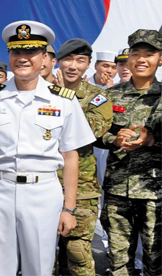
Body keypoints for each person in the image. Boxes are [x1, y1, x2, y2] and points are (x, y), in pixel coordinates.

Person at [0, 20, 95, 276]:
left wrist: (69, 208)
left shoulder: (63, 101)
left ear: (44, 58)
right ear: (9, 55)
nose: (23, 59)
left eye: (30, 53)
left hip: (43, 192)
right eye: (17, 52)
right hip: (0, 189)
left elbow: (71, 157)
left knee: (38, 267)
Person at [98, 29, 162, 276]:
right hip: (117, 193)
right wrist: (115, 139)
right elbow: (94, 133)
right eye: (136, 53)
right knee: (119, 263)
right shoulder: (109, 96)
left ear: (159, 59)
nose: (142, 60)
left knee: (156, 263)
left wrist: (151, 141)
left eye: (150, 54)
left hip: (155, 195)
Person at [54, 38, 113, 275]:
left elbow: (86, 132)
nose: (73, 66)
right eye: (68, 59)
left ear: (88, 65)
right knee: (42, 258)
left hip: (81, 191)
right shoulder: (40, 94)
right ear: (58, 62)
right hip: (44, 187)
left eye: (80, 61)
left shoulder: (98, 97)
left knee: (78, 257)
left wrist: (64, 96)